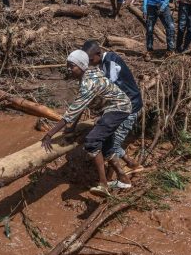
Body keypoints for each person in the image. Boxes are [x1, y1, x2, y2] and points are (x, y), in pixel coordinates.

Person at [41, 50, 133, 197]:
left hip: (117, 109)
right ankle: (124, 179)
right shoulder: (89, 74)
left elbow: (72, 111)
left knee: (92, 141)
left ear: (82, 65)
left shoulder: (89, 83)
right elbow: (80, 106)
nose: (69, 69)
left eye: (72, 66)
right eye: (68, 66)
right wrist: (72, 127)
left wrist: (49, 134)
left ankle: (103, 184)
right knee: (107, 145)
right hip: (113, 109)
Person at [82, 40, 143, 187]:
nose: (89, 63)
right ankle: (132, 164)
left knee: (111, 144)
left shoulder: (110, 62)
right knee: (110, 138)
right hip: (124, 106)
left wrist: (104, 114)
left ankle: (121, 179)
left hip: (129, 108)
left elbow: (111, 89)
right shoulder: (103, 62)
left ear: (98, 54)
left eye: (90, 60)